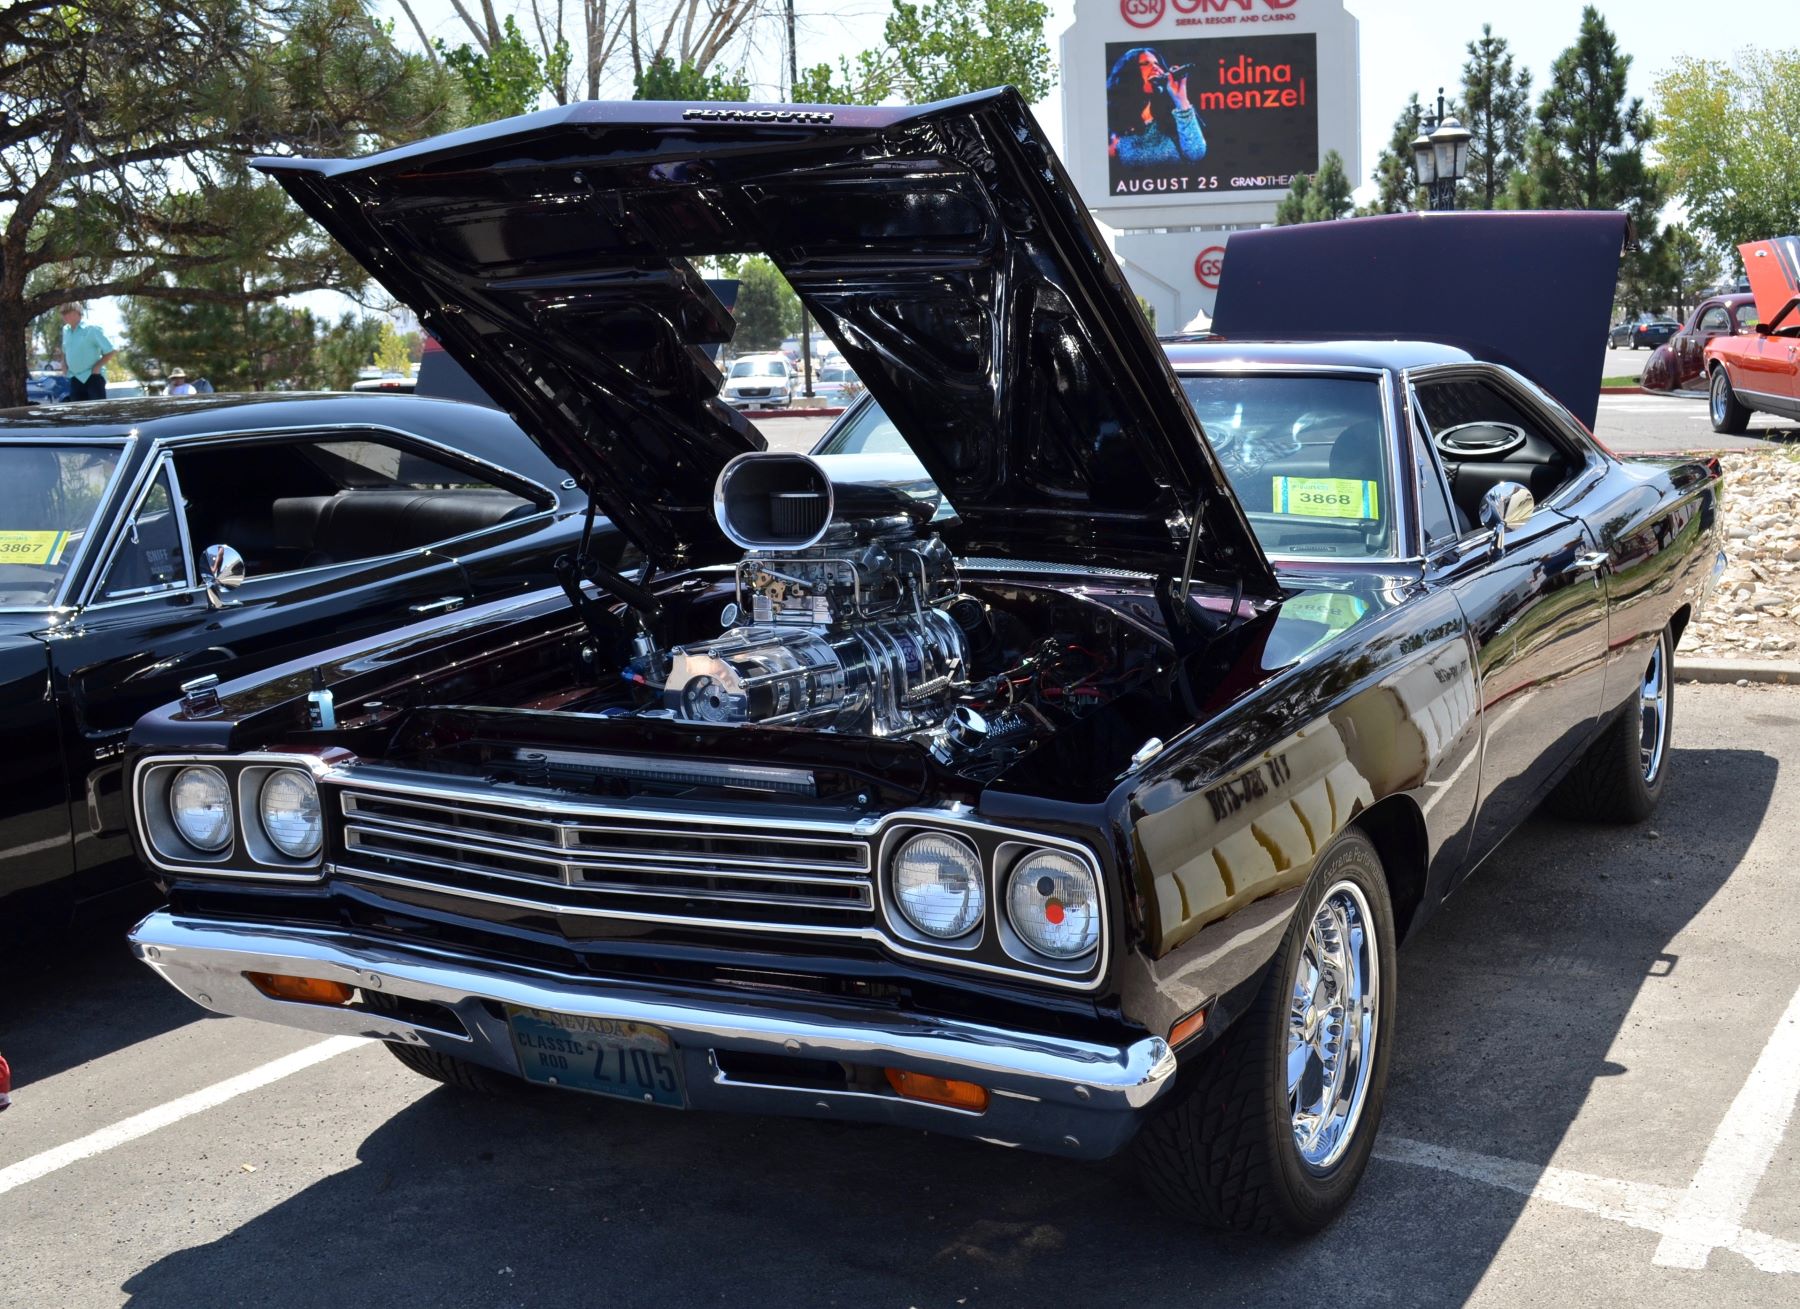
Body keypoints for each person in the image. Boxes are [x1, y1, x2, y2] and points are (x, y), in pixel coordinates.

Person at [1107, 47, 1207, 167]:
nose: (1155, 68)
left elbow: (1196, 153)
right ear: (1128, 75)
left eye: (1157, 63)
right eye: (1145, 64)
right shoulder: (1114, 128)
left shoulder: (1173, 116)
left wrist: (1181, 101)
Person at [59, 303, 116, 401]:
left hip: (93, 378)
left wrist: (97, 367)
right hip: (74, 377)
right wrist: (63, 364)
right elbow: (65, 349)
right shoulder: (66, 330)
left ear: (78, 312)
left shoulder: (91, 329)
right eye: (62, 313)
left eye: (67, 312)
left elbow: (111, 350)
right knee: (78, 413)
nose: (64, 315)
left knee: (97, 413)